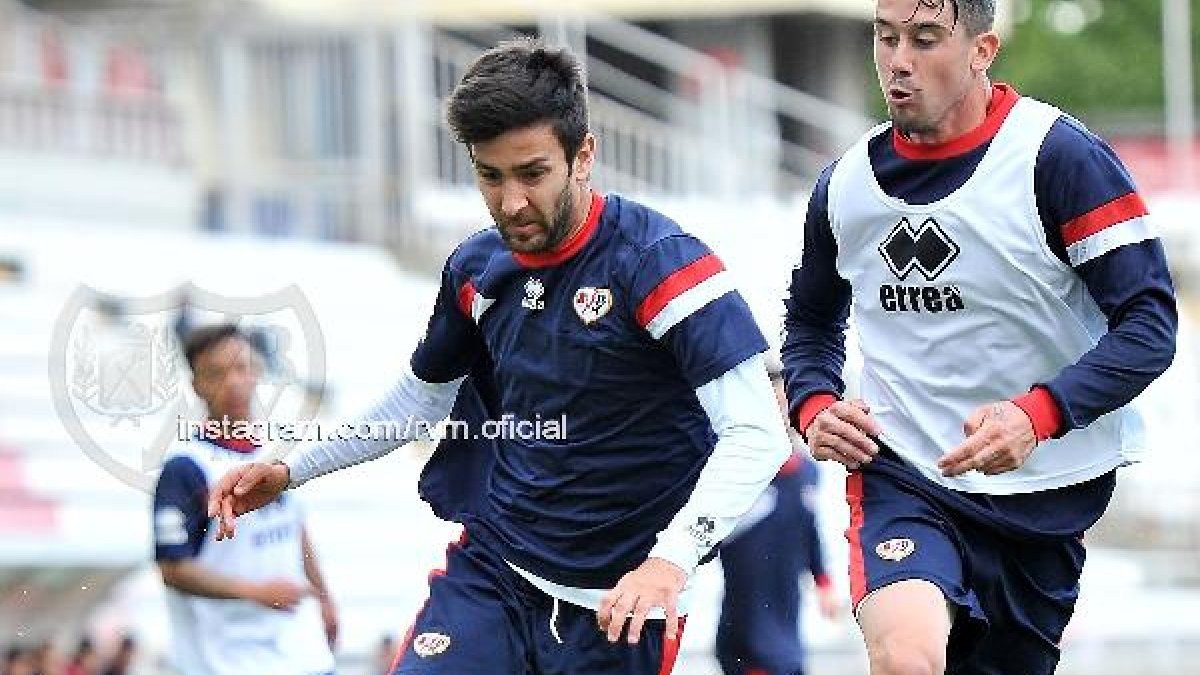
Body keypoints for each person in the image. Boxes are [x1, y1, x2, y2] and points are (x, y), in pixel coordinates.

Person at [206, 38, 790, 675]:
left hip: (619, 607)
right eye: (491, 175)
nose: (511, 201)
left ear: (583, 155)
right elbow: (419, 400)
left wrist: (669, 562)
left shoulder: (659, 263)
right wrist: (294, 468)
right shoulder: (479, 268)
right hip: (495, 574)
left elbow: (758, 432)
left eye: (532, 173)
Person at [781, 1, 1178, 674]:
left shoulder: (1058, 158)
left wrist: (1036, 414)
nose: (898, 60)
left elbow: (1149, 324)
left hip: (1044, 495)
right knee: (907, 657)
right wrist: (814, 404)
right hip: (903, 472)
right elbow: (811, 323)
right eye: (886, 37)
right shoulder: (846, 185)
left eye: (925, 39)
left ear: (982, 49)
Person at [152, 324, 338, 675]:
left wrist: (324, 596)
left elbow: (296, 531)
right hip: (226, 659)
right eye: (217, 373)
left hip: (302, 652)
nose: (234, 381)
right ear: (197, 385)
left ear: (257, 372)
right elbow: (172, 569)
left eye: (242, 368)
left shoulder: (278, 452)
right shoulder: (186, 467)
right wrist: (255, 592)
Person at [715, 357, 838, 675]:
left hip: (786, 616)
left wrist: (823, 579)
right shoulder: (733, 469)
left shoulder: (806, 470)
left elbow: (809, 527)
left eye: (785, 403)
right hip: (745, 616)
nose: (779, 413)